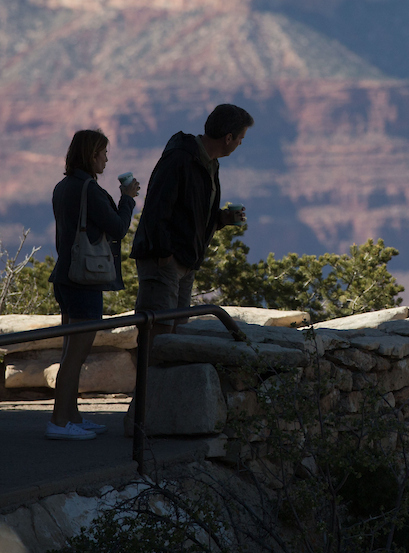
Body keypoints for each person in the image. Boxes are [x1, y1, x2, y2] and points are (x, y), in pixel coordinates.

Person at [47, 129, 140, 441]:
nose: (106, 158)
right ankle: (59, 423)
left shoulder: (63, 187)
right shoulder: (90, 189)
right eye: (102, 153)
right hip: (84, 281)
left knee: (69, 351)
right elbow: (117, 228)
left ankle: (72, 416)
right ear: (90, 155)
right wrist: (127, 200)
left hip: (64, 275)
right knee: (76, 355)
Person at [129, 103, 254, 325]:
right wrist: (164, 253)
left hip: (185, 262)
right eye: (240, 138)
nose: (240, 144)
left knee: (177, 335)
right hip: (165, 261)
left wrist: (221, 219)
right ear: (228, 138)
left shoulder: (210, 164)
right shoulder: (181, 158)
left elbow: (190, 212)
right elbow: (157, 207)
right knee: (158, 332)